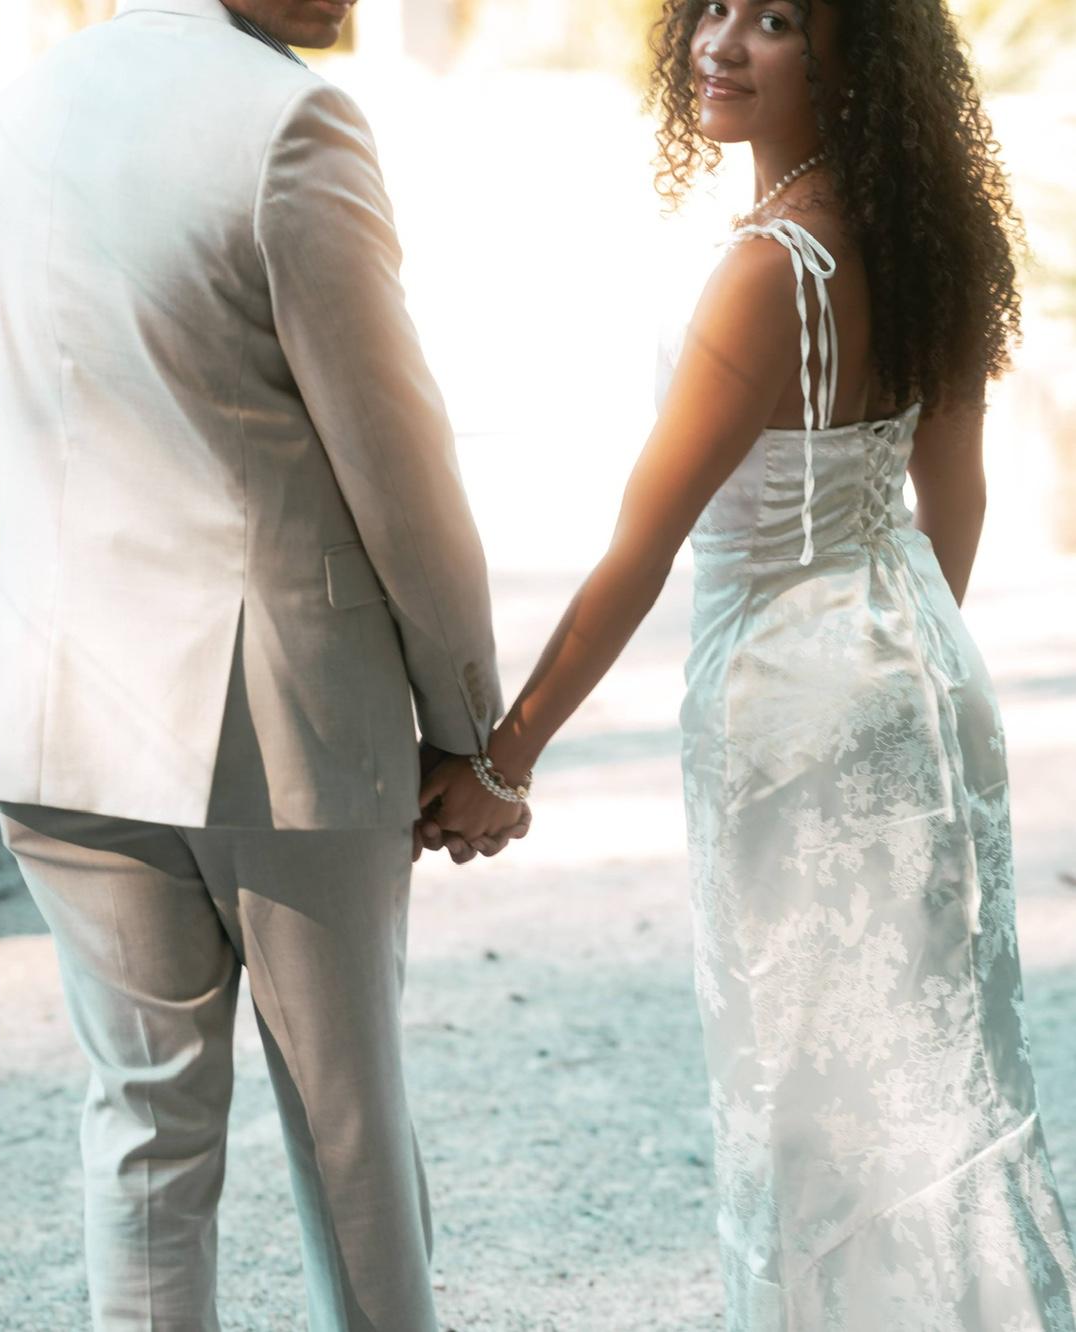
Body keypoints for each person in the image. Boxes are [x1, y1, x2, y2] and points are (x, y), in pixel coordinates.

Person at [420, 0, 1076, 1325]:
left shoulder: (771, 268)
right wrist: (899, 678)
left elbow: (642, 547)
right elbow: (956, 498)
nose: (721, 43)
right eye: (712, 7)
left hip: (790, 699)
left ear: (854, 57)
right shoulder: (929, 233)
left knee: (810, 1095)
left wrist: (505, 760)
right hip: (918, 668)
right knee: (941, 1074)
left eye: (775, 19)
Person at [0, 1, 527, 1327]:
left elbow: (5, 429)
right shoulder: (290, 120)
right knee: (347, 1129)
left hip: (55, 695)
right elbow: (398, 466)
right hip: (279, 719)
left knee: (144, 1131)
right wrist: (474, 732)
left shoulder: (16, 111)